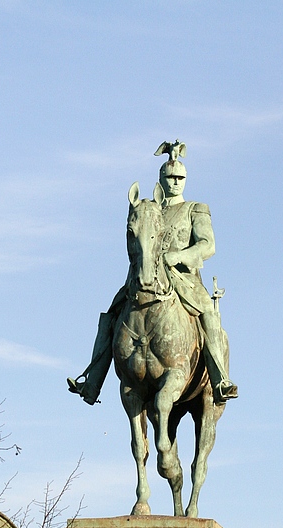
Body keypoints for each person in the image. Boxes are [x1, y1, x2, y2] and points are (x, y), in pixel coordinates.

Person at [67, 140, 238, 405]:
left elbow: (208, 245)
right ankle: (92, 383)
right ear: (161, 179)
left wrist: (178, 256)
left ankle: (219, 380)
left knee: (209, 314)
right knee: (112, 315)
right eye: (170, 177)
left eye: (180, 177)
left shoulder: (195, 209)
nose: (175, 181)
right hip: (145, 277)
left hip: (184, 279)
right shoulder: (150, 209)